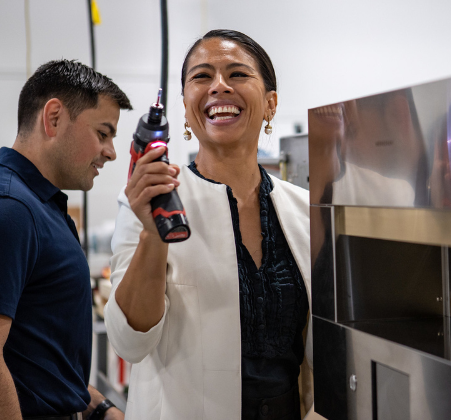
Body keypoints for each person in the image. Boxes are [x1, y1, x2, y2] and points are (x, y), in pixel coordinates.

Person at [105, 30, 320, 420]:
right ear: (186, 109)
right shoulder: (147, 200)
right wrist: (154, 233)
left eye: (237, 74)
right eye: (202, 77)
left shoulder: (305, 211)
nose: (219, 86)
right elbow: (129, 342)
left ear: (271, 104)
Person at [0, 60, 132, 420]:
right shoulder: (10, 210)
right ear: (53, 118)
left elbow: (37, 355)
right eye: (103, 133)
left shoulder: (42, 207)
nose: (111, 152)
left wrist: (100, 408)